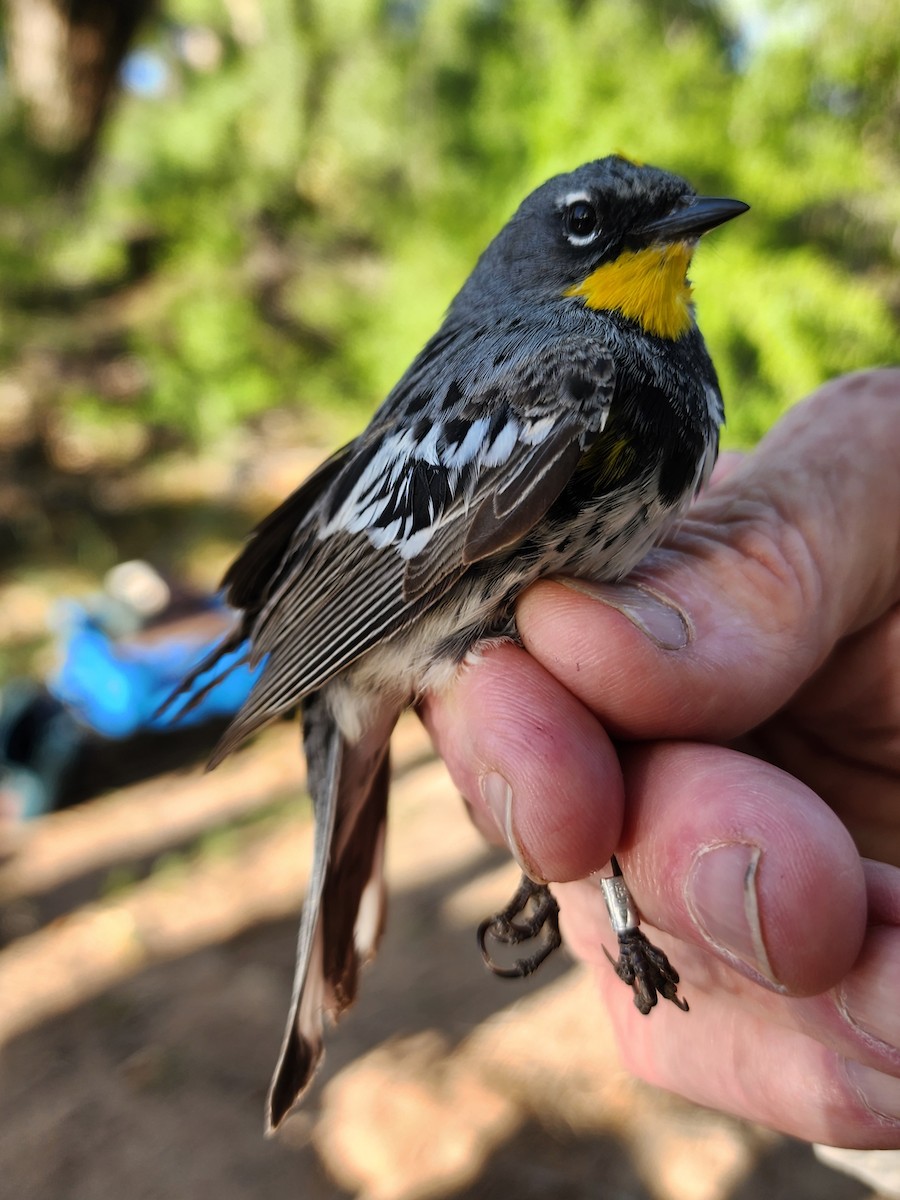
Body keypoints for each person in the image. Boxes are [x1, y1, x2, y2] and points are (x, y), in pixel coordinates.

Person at [423, 369, 900, 1162]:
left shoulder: (654, 399)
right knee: (575, 760)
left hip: (635, 703)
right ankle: (605, 914)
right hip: (578, 690)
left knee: (582, 762)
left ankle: (612, 919)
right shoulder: (576, 387)